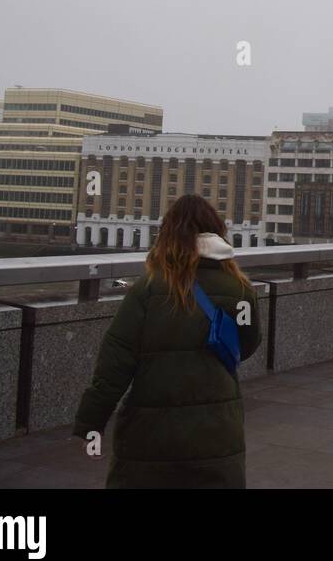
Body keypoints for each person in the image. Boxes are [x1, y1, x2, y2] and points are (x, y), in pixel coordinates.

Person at [73, 194, 262, 488]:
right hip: (217, 427)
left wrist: (90, 422)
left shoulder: (148, 289)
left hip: (152, 429)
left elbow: (115, 363)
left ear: (168, 233)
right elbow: (247, 345)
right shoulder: (241, 289)